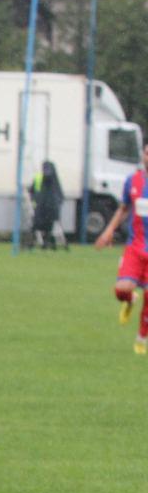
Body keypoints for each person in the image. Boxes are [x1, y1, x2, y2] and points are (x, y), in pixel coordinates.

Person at [93, 142, 148, 355]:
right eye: (146, 153)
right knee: (121, 290)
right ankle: (129, 300)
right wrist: (108, 232)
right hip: (135, 247)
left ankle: (141, 339)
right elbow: (123, 208)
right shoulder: (132, 181)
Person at [29, 160, 66, 251]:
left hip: (45, 206)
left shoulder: (47, 178)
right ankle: (41, 243)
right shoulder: (46, 178)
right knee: (40, 226)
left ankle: (45, 244)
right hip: (42, 206)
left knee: (44, 226)